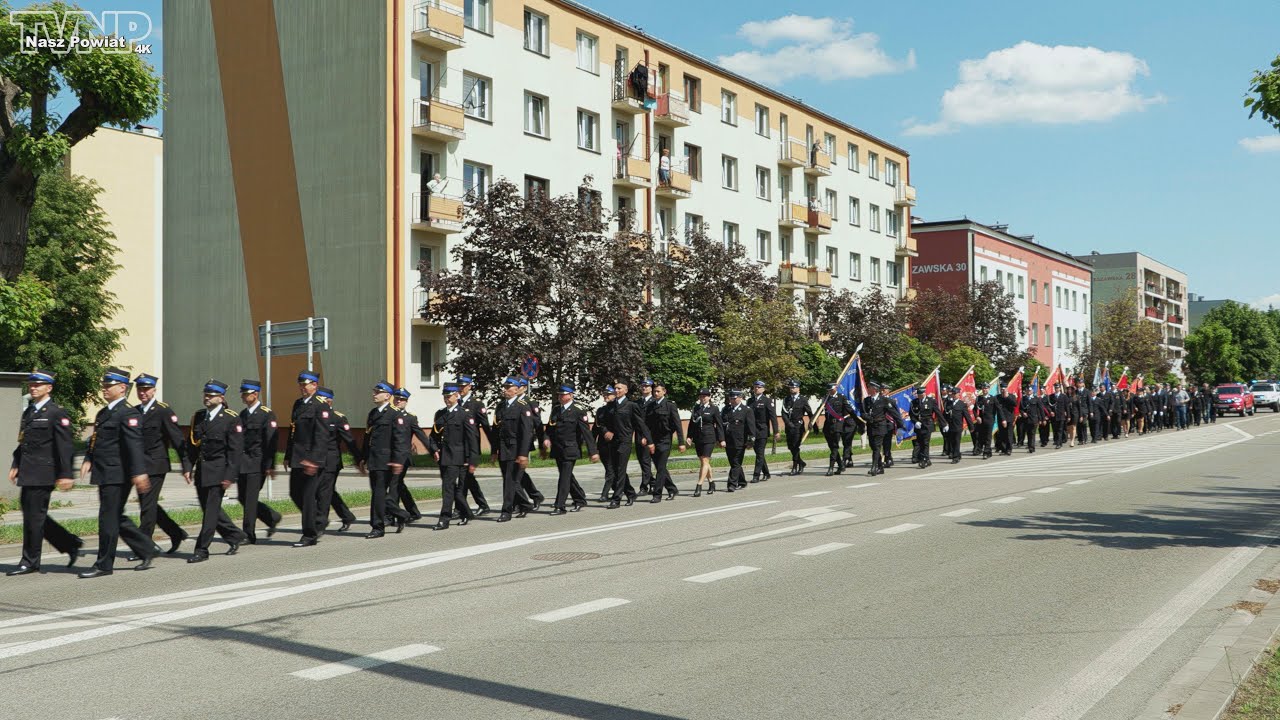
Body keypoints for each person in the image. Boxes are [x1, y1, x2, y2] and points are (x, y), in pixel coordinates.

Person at [78, 367, 159, 577]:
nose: (104, 389)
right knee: (114, 516)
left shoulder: (128, 413)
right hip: (104, 472)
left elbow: (134, 445)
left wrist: (140, 472)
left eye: (108, 385)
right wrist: (88, 458)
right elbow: (95, 441)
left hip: (118, 474)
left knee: (108, 518)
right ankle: (147, 548)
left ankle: (104, 564)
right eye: (104, 385)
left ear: (122, 388)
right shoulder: (104, 412)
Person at [9, 369, 85, 576]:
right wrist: (16, 463)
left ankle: (30, 561)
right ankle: (70, 543)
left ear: (49, 388)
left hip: (44, 472)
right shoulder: (30, 411)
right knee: (34, 515)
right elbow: (23, 443)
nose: (33, 388)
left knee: (33, 517)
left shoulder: (56, 412)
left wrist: (66, 474)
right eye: (31, 385)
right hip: (28, 470)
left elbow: (65, 447)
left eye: (38, 385)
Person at [184, 380, 248, 563]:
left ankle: (201, 549)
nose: (207, 397)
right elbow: (192, 446)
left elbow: (235, 451)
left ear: (221, 398)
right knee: (211, 510)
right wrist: (188, 467)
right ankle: (235, 535)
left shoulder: (231, 418)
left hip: (219, 472)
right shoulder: (198, 416)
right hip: (202, 471)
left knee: (210, 513)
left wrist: (230, 476)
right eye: (206, 394)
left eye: (211, 395)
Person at [130, 373, 190, 556]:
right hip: (140, 466)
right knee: (149, 505)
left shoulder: (163, 410)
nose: (143, 393)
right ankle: (176, 533)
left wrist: (186, 465)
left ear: (154, 390)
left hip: (156, 465)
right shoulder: (135, 411)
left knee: (147, 507)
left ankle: (144, 547)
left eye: (146, 389)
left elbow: (177, 438)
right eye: (140, 389)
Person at [284, 371, 331, 547]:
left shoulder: (321, 405)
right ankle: (318, 518)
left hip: (312, 460)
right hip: (297, 458)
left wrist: (314, 460)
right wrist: (288, 455)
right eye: (301, 384)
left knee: (308, 497)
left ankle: (309, 535)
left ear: (315, 385)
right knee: (294, 493)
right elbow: (293, 432)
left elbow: (322, 436)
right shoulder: (298, 404)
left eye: (306, 384)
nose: (303, 387)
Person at [359, 380, 410, 537]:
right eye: (374, 391)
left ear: (387, 396)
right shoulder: (373, 414)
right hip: (374, 459)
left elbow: (400, 440)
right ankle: (402, 515)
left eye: (377, 392)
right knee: (378, 494)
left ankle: (377, 527)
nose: (374, 394)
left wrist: (398, 460)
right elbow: (368, 438)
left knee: (379, 494)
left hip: (387, 460)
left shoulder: (395, 414)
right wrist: (363, 457)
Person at [236, 379, 281, 544]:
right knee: (242, 497)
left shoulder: (266, 414)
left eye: (245, 393)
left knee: (249, 499)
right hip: (243, 462)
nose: (242, 396)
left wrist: (270, 465)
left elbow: (271, 441)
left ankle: (249, 534)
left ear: (255, 394)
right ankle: (272, 517)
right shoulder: (242, 414)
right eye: (242, 393)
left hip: (258, 462)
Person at [428, 383, 477, 529]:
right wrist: (434, 449)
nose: (446, 399)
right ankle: (467, 512)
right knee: (452, 488)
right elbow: (433, 436)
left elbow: (471, 438)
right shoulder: (440, 414)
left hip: (458, 457)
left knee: (448, 487)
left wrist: (471, 460)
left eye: (449, 396)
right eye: (445, 396)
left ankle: (444, 518)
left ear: (457, 396)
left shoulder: (464, 413)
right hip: (444, 456)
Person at [543, 384, 598, 513]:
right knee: (567, 476)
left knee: (564, 477)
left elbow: (586, 432)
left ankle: (560, 505)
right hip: (558, 448)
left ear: (571, 395)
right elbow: (550, 427)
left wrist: (593, 452)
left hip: (570, 449)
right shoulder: (556, 409)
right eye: (559, 394)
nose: (560, 396)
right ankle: (579, 499)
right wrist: (546, 438)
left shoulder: (578, 410)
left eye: (563, 394)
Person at [314, 386, 359, 533]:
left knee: (324, 492)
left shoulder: (338, 418)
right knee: (325, 491)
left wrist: (359, 459)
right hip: (316, 460)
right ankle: (347, 516)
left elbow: (349, 439)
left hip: (331, 461)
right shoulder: (314, 415)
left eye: (320, 399)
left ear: (328, 401)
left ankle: (320, 524)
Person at [601, 379, 649, 508]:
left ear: (626, 390)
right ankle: (631, 493)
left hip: (625, 441)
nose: (616, 391)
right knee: (616, 471)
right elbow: (603, 422)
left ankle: (616, 499)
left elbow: (640, 424)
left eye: (619, 388)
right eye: (615, 388)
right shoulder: (610, 406)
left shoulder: (631, 406)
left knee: (620, 470)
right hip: (613, 442)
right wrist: (607, 431)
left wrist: (647, 439)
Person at [493, 377, 536, 521]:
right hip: (503, 448)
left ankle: (506, 511)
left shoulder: (522, 406)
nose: (505, 390)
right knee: (508, 479)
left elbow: (526, 433)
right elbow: (495, 430)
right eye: (504, 387)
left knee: (510, 481)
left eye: (508, 388)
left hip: (515, 449)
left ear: (517, 390)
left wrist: (523, 454)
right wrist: (494, 450)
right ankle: (525, 504)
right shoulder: (500, 406)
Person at [392, 388, 431, 522]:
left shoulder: (409, 418)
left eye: (401, 400)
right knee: (398, 485)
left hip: (403, 457)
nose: (398, 401)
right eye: (396, 398)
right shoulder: (388, 415)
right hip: (389, 457)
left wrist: (433, 450)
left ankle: (392, 515)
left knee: (395, 483)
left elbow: (421, 435)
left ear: (406, 402)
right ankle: (413, 512)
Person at [457, 376, 492, 515]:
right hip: (457, 445)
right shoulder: (456, 402)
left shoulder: (476, 404)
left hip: (469, 446)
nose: (461, 389)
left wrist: (493, 446)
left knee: (465, 476)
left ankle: (461, 508)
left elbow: (485, 425)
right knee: (466, 477)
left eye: (463, 386)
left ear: (470, 386)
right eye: (459, 386)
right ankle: (481, 504)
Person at [645, 381, 685, 501]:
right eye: (654, 391)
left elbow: (677, 425)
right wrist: (645, 438)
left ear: (664, 392)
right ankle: (672, 489)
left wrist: (681, 442)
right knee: (660, 467)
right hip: (653, 440)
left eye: (658, 391)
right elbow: (647, 424)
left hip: (665, 440)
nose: (655, 393)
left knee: (661, 468)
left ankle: (657, 494)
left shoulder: (670, 405)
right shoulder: (650, 406)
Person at [687, 389, 724, 496]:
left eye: (705, 396)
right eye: (701, 396)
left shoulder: (714, 408)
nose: (703, 398)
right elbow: (692, 423)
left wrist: (721, 439)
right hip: (698, 438)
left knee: (705, 460)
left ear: (709, 397)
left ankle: (699, 485)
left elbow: (719, 424)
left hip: (709, 437)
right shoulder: (696, 408)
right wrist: (689, 436)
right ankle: (712, 483)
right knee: (704, 462)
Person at [721, 390, 755, 490]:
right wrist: (720, 439)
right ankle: (742, 481)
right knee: (734, 462)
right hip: (728, 440)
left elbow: (751, 427)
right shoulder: (726, 409)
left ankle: (731, 484)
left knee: (736, 462)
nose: (732, 400)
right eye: (731, 398)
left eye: (734, 398)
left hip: (740, 440)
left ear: (740, 398)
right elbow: (722, 425)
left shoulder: (746, 410)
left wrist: (751, 441)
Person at [746, 380, 778, 483]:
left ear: (763, 389)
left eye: (759, 387)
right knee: (759, 453)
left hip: (762, 430)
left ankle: (756, 475)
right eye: (755, 387)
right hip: (752, 431)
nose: (756, 389)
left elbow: (773, 417)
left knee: (760, 453)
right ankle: (766, 473)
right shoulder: (750, 401)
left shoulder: (767, 401)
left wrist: (776, 431)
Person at [820, 383, 854, 475]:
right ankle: (840, 465)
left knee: (835, 446)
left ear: (835, 388)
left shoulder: (841, 397)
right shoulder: (826, 398)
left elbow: (849, 409)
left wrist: (857, 419)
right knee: (832, 447)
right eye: (828, 390)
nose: (829, 391)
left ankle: (831, 467)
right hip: (827, 425)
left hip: (838, 425)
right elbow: (819, 410)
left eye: (831, 389)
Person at [781, 380, 813, 475]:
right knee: (791, 447)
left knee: (795, 446)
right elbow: (783, 413)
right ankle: (801, 463)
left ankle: (795, 466)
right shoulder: (786, 399)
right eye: (790, 387)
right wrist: (788, 423)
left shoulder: (803, 399)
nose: (792, 389)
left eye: (794, 387)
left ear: (798, 388)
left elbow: (809, 412)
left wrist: (813, 424)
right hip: (789, 426)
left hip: (798, 426)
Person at [911, 384, 945, 468]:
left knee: (925, 442)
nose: (920, 396)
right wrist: (915, 422)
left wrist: (944, 423)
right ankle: (927, 459)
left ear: (924, 393)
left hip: (927, 424)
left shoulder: (931, 401)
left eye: (921, 394)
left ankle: (924, 459)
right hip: (919, 425)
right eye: (918, 394)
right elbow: (911, 414)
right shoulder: (914, 402)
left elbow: (938, 412)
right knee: (919, 442)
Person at [593, 386, 618, 501]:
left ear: (615, 395)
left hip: (616, 443)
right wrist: (592, 447)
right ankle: (619, 489)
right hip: (603, 444)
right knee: (610, 469)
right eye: (604, 394)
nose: (606, 396)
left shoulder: (619, 408)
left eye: (608, 394)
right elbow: (596, 428)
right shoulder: (600, 410)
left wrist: (613, 433)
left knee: (612, 469)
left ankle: (605, 493)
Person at [634, 379, 656, 495]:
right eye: (643, 386)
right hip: (638, 435)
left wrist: (646, 436)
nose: (644, 388)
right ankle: (653, 483)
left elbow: (651, 422)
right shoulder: (637, 403)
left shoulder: (653, 402)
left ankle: (644, 486)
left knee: (646, 461)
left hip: (648, 436)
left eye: (647, 386)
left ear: (651, 388)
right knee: (642, 461)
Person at [943, 386, 975, 464]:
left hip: (958, 426)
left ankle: (955, 457)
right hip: (950, 426)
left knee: (956, 441)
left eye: (955, 394)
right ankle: (957, 454)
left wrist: (971, 426)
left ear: (958, 394)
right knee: (951, 441)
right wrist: (944, 424)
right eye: (952, 394)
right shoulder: (948, 403)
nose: (953, 395)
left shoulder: (962, 404)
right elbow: (945, 414)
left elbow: (967, 416)